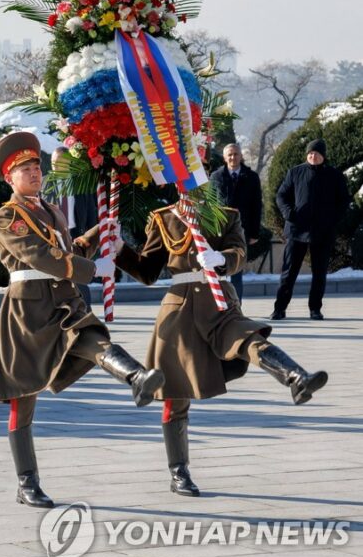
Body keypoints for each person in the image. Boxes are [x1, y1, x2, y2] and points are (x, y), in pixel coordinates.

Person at [0, 131, 164, 508]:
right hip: (29, 310)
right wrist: (91, 269)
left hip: (63, 301)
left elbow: (68, 248)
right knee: (24, 397)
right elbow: (41, 256)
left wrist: (97, 234)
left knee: (92, 338)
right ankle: (27, 482)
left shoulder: (50, 210)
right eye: (25, 169)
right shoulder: (8, 216)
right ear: (10, 178)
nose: (35, 173)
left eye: (36, 166)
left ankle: (137, 377)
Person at [115, 198, 329, 497]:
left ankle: (296, 378)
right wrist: (119, 250)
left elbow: (240, 252)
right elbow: (148, 271)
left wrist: (222, 259)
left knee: (249, 338)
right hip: (179, 308)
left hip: (219, 301)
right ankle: (179, 472)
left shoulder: (227, 214)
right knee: (175, 391)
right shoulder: (164, 218)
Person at [271, 139, 351, 320]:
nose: (312, 156)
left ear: (323, 156)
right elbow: (281, 195)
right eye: (310, 153)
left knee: (319, 273)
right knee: (289, 272)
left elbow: (344, 201)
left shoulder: (334, 175)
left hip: (322, 232)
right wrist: (288, 213)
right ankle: (279, 308)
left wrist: (332, 220)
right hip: (296, 230)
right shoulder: (295, 172)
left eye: (316, 153)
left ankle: (315, 308)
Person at [209, 143, 263, 300]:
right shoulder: (216, 176)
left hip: (241, 230)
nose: (233, 157)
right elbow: (210, 205)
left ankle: (236, 308)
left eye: (236, 154)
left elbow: (257, 206)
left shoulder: (252, 177)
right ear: (225, 157)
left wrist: (254, 233)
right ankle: (219, 307)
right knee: (217, 269)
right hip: (219, 231)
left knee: (236, 270)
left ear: (241, 156)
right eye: (230, 155)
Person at [50, 147, 99, 305]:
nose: (56, 167)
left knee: (78, 276)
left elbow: (92, 211)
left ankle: (85, 312)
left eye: (61, 162)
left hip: (76, 234)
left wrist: (92, 238)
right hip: (52, 237)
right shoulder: (43, 184)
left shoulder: (83, 184)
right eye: (53, 163)